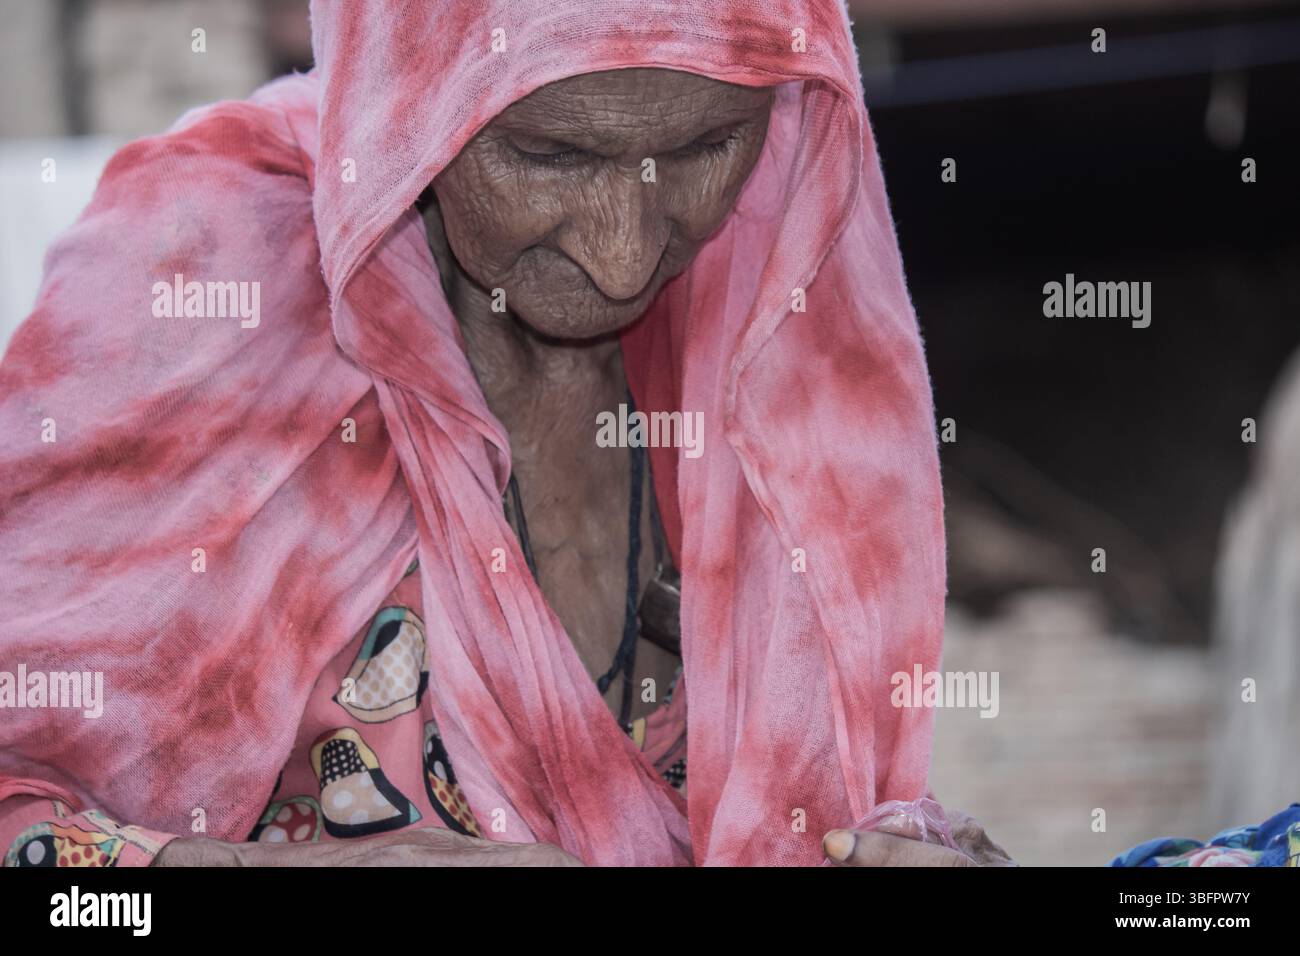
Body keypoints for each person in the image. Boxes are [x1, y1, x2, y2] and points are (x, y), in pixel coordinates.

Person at [0, 0, 1009, 867]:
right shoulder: (203, 284)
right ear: (406, 100)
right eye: (549, 154)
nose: (621, 257)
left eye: (705, 147)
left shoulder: (774, 303)